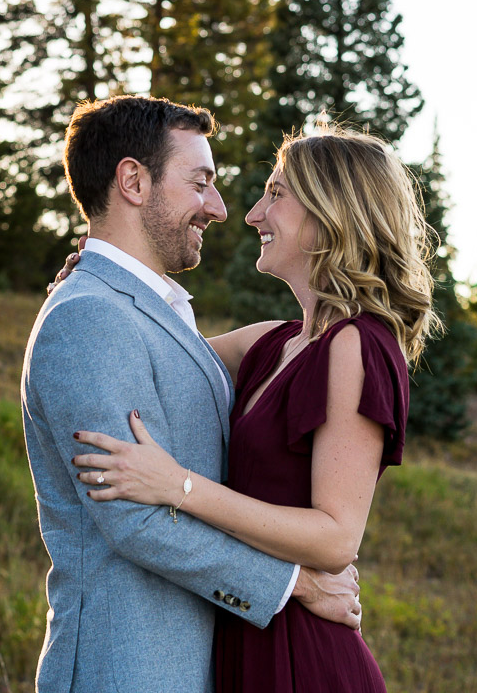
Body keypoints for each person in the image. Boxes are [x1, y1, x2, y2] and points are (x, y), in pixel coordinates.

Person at [67, 127, 439, 692]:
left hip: (302, 655)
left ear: (330, 211)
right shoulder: (271, 344)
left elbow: (337, 538)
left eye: (276, 194)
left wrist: (178, 485)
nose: (252, 214)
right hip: (244, 634)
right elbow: (146, 352)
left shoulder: (357, 346)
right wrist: (97, 282)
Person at [21, 96, 364, 693]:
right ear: (133, 181)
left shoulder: (143, 312)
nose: (220, 207)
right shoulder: (88, 318)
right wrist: (298, 583)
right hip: (125, 670)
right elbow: (134, 521)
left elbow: (262, 353)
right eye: (200, 183)